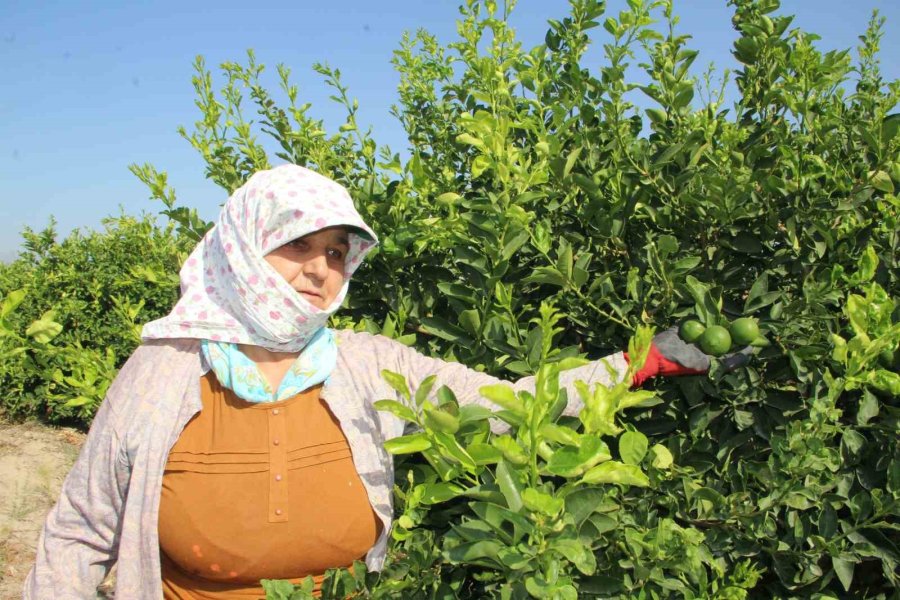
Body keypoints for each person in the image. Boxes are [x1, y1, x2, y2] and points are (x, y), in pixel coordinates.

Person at [24, 164, 746, 599]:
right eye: (297, 246)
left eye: (337, 252)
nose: (321, 269)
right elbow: (80, 531)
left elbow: (510, 407)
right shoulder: (164, 369)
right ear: (244, 249)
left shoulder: (366, 363)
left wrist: (640, 364)